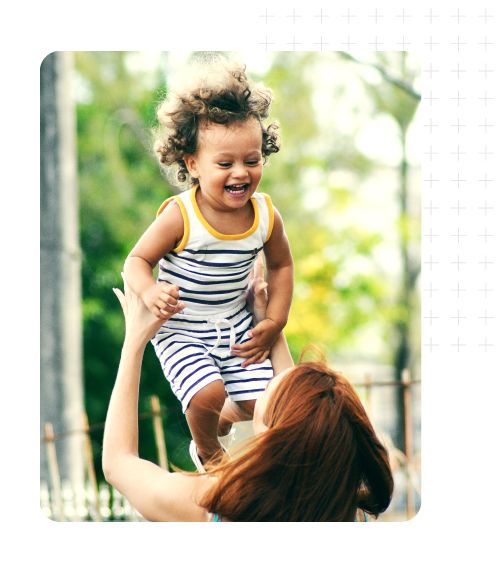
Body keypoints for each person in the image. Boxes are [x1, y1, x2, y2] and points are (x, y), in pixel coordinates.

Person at [104, 257, 394, 522]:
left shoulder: (211, 507)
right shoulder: (351, 513)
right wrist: (263, 320)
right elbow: (298, 413)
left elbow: (118, 463)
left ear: (271, 436)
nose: (261, 388)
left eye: (266, 394)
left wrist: (134, 341)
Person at [122, 56, 293, 470]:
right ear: (193, 165)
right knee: (206, 395)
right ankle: (210, 455)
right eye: (225, 163)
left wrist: (274, 321)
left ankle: (223, 418)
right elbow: (136, 260)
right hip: (182, 327)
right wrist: (150, 290)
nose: (241, 173)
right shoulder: (181, 216)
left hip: (234, 322)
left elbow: (283, 267)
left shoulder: (266, 215)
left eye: (252, 160)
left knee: (262, 403)